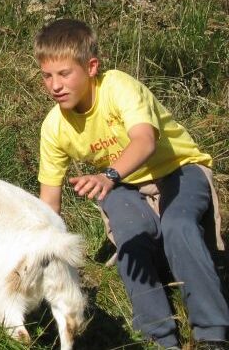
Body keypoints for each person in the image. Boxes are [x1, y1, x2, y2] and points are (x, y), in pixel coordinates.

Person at [34, 18, 229, 349]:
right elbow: (49, 202)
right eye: (47, 76)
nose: (55, 85)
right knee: (130, 238)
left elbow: (144, 141)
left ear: (91, 67)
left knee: (178, 225)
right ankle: (157, 337)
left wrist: (108, 176)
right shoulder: (54, 127)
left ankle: (212, 333)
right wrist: (41, 253)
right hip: (124, 187)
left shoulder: (118, 87)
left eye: (64, 74)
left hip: (178, 169)